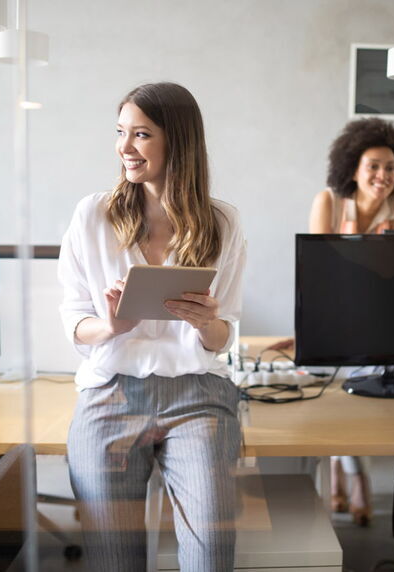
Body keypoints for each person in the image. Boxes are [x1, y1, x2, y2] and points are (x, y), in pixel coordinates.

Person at [58, 82, 246, 572]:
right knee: (114, 561)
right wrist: (111, 326)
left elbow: (224, 336)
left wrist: (207, 324)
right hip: (111, 392)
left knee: (210, 557)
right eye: (120, 132)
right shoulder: (93, 215)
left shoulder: (222, 223)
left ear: (177, 143)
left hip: (199, 394)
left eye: (140, 134)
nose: (124, 147)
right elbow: (74, 323)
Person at [309, 117, 394, 526]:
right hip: (331, 320)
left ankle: (341, 476)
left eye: (390, 167)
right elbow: (318, 275)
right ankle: (356, 484)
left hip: (376, 320)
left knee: (363, 396)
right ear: (353, 168)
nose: (383, 176)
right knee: (339, 400)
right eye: (373, 165)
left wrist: (356, 251)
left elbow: (393, 276)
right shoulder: (329, 204)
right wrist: (367, 252)